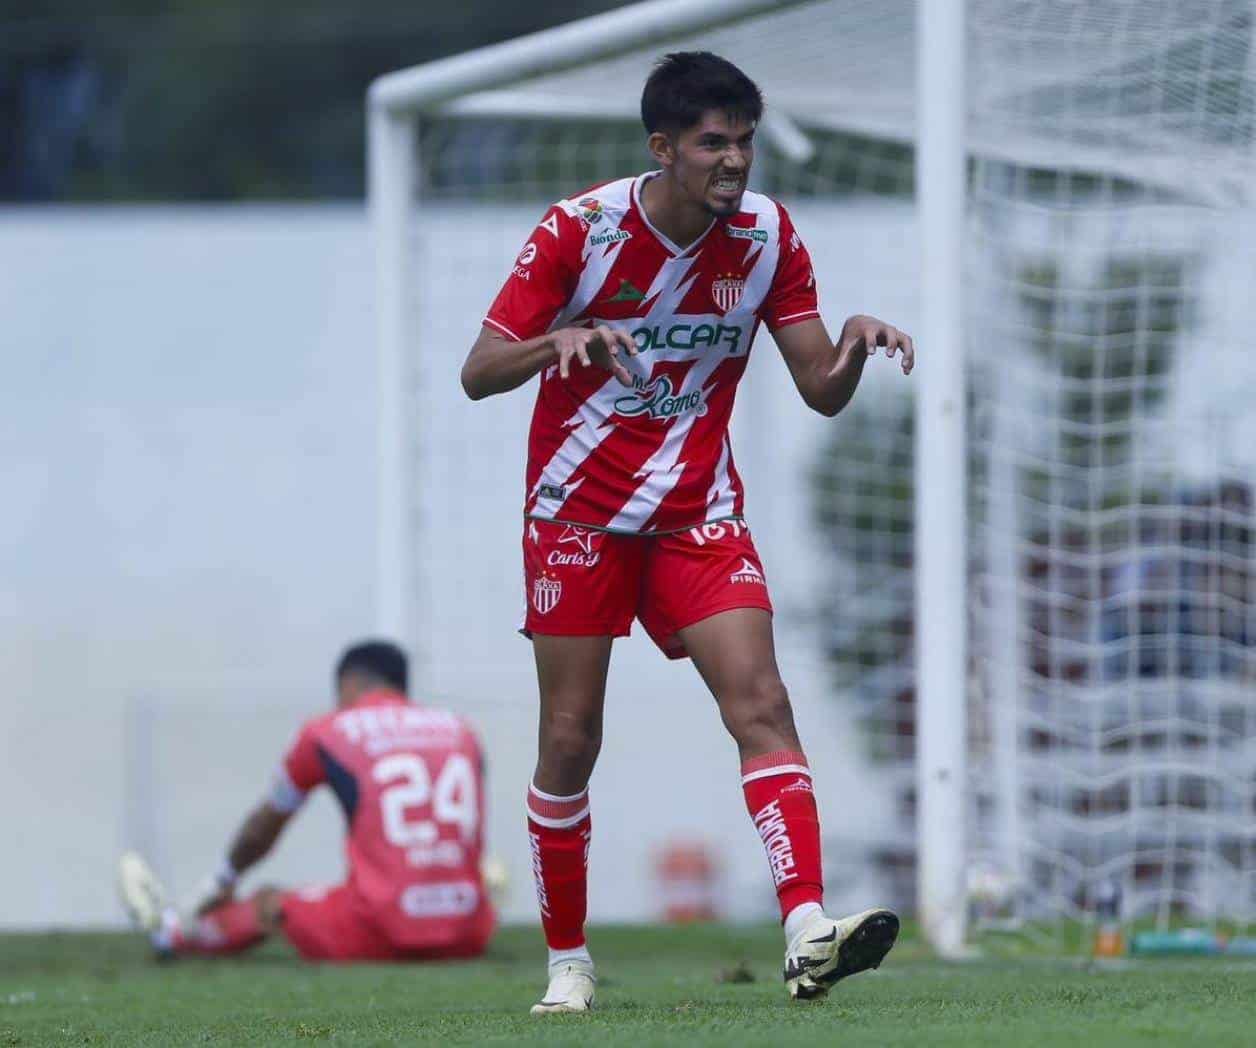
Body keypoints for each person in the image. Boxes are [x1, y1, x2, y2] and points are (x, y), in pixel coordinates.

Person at [461, 51, 912, 1011]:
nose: (735, 161)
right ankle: (569, 962)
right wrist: (560, 341)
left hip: (696, 513)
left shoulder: (769, 238)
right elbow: (480, 368)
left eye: (744, 141)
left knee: (763, 705)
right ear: (662, 149)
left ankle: (806, 931)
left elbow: (818, 391)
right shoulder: (578, 231)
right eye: (714, 143)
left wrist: (855, 347)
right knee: (572, 737)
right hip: (577, 515)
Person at [118, 640, 496, 962]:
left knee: (269, 904)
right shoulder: (462, 731)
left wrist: (221, 880)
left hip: (380, 930)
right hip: (469, 930)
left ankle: (171, 934)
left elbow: (265, 825)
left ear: (349, 683)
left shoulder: (327, 731)